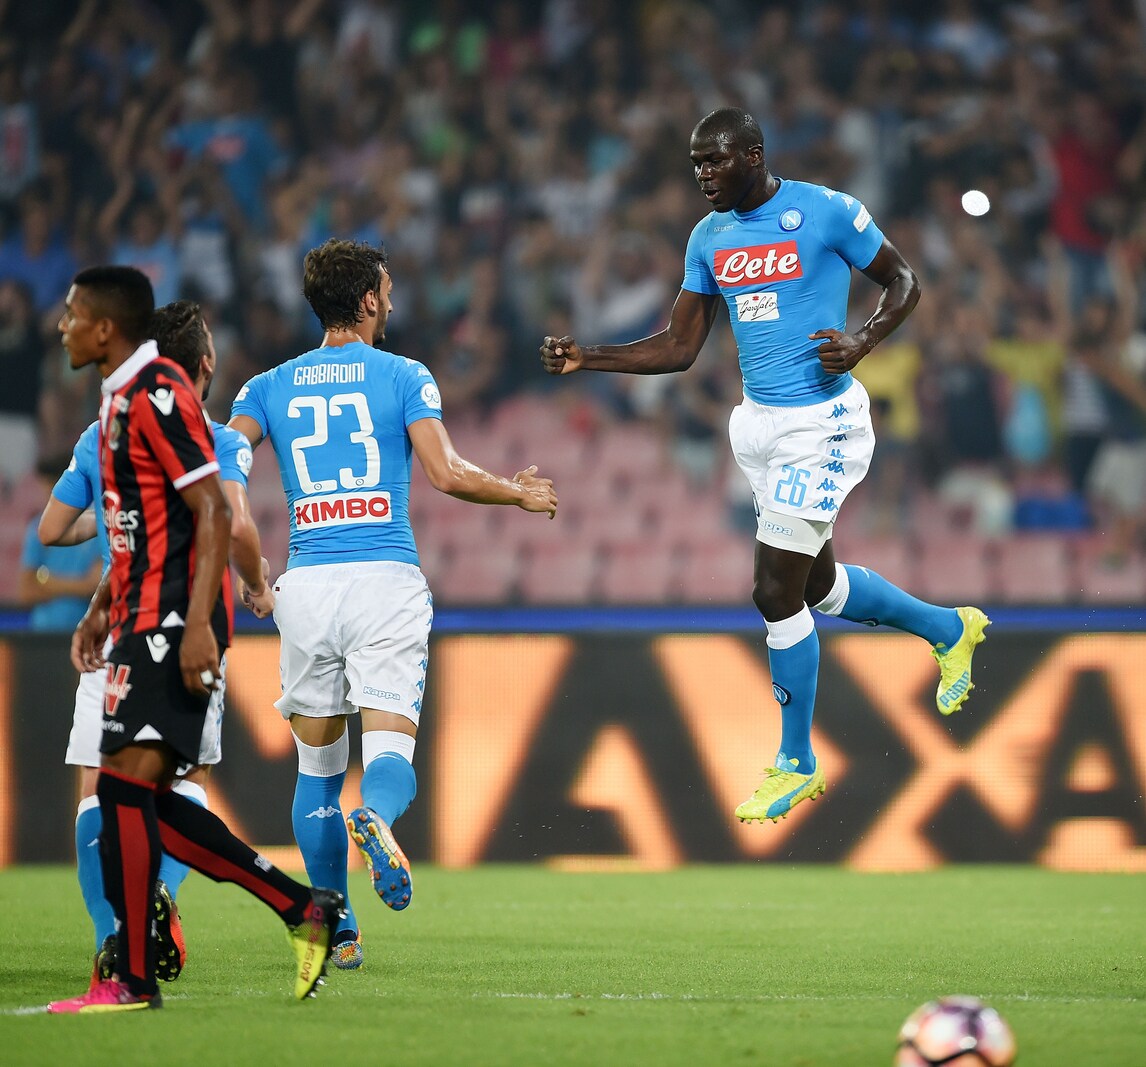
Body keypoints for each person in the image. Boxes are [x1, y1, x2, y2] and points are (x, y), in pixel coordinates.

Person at [540, 107, 990, 824]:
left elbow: (904, 280)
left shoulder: (826, 210)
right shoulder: (709, 237)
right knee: (815, 586)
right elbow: (679, 347)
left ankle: (796, 760)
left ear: (753, 154)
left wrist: (864, 340)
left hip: (822, 423)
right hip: (758, 428)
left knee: (772, 589)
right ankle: (947, 628)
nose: (704, 175)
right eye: (696, 164)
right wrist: (587, 356)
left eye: (715, 160)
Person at [229, 238, 557, 968]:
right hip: (383, 579)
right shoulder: (405, 374)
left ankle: (334, 926)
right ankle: (374, 817)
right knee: (388, 751)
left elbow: (226, 467)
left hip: (305, 587)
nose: (392, 299)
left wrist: (247, 566)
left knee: (316, 772)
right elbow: (445, 472)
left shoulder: (264, 387)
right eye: (387, 287)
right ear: (369, 299)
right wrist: (517, 491)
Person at [47, 265, 343, 1014]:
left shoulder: (156, 393)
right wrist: (100, 608)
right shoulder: (119, 400)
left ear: (106, 328)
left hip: (170, 623)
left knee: (123, 791)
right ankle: (299, 907)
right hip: (138, 616)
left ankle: (133, 977)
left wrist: (197, 630)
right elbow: (138, 528)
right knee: (137, 796)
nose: (62, 326)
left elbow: (212, 510)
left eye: (73, 314)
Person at [20, 454, 103, 631]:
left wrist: (47, 581)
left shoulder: (97, 522)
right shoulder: (37, 528)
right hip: (44, 634)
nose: (48, 495)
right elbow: (27, 591)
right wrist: (79, 585)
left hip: (86, 631)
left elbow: (96, 586)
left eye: (52, 487)